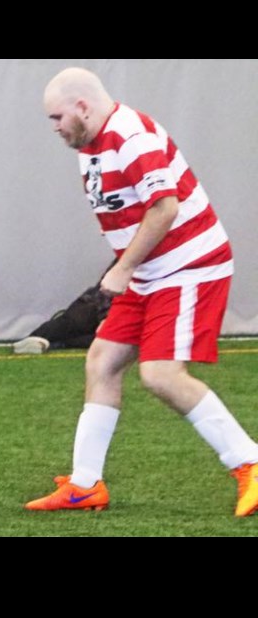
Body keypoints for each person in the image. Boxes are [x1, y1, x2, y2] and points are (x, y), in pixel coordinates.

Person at [26, 67, 258, 517]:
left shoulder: (132, 136)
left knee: (161, 375)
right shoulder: (89, 146)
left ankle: (250, 462)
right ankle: (85, 485)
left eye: (57, 117)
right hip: (149, 271)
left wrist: (123, 268)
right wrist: (128, 267)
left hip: (190, 266)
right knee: (102, 360)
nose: (54, 127)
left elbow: (165, 207)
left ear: (82, 107)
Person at [13, 261, 114, 354]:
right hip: (94, 305)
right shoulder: (123, 260)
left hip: (115, 315)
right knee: (69, 324)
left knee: (112, 339)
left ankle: (61, 343)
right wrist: (105, 317)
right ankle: (39, 340)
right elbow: (105, 291)